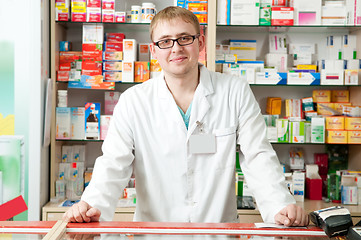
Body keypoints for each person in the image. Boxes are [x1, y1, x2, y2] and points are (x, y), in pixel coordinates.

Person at [63, 6, 309, 226]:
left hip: (217, 230)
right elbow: (113, 164)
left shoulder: (235, 91)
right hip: (157, 232)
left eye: (185, 38)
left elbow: (258, 156)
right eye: (165, 41)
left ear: (200, 42)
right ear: (153, 50)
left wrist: (279, 205)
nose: (176, 48)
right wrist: (92, 204)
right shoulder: (133, 101)